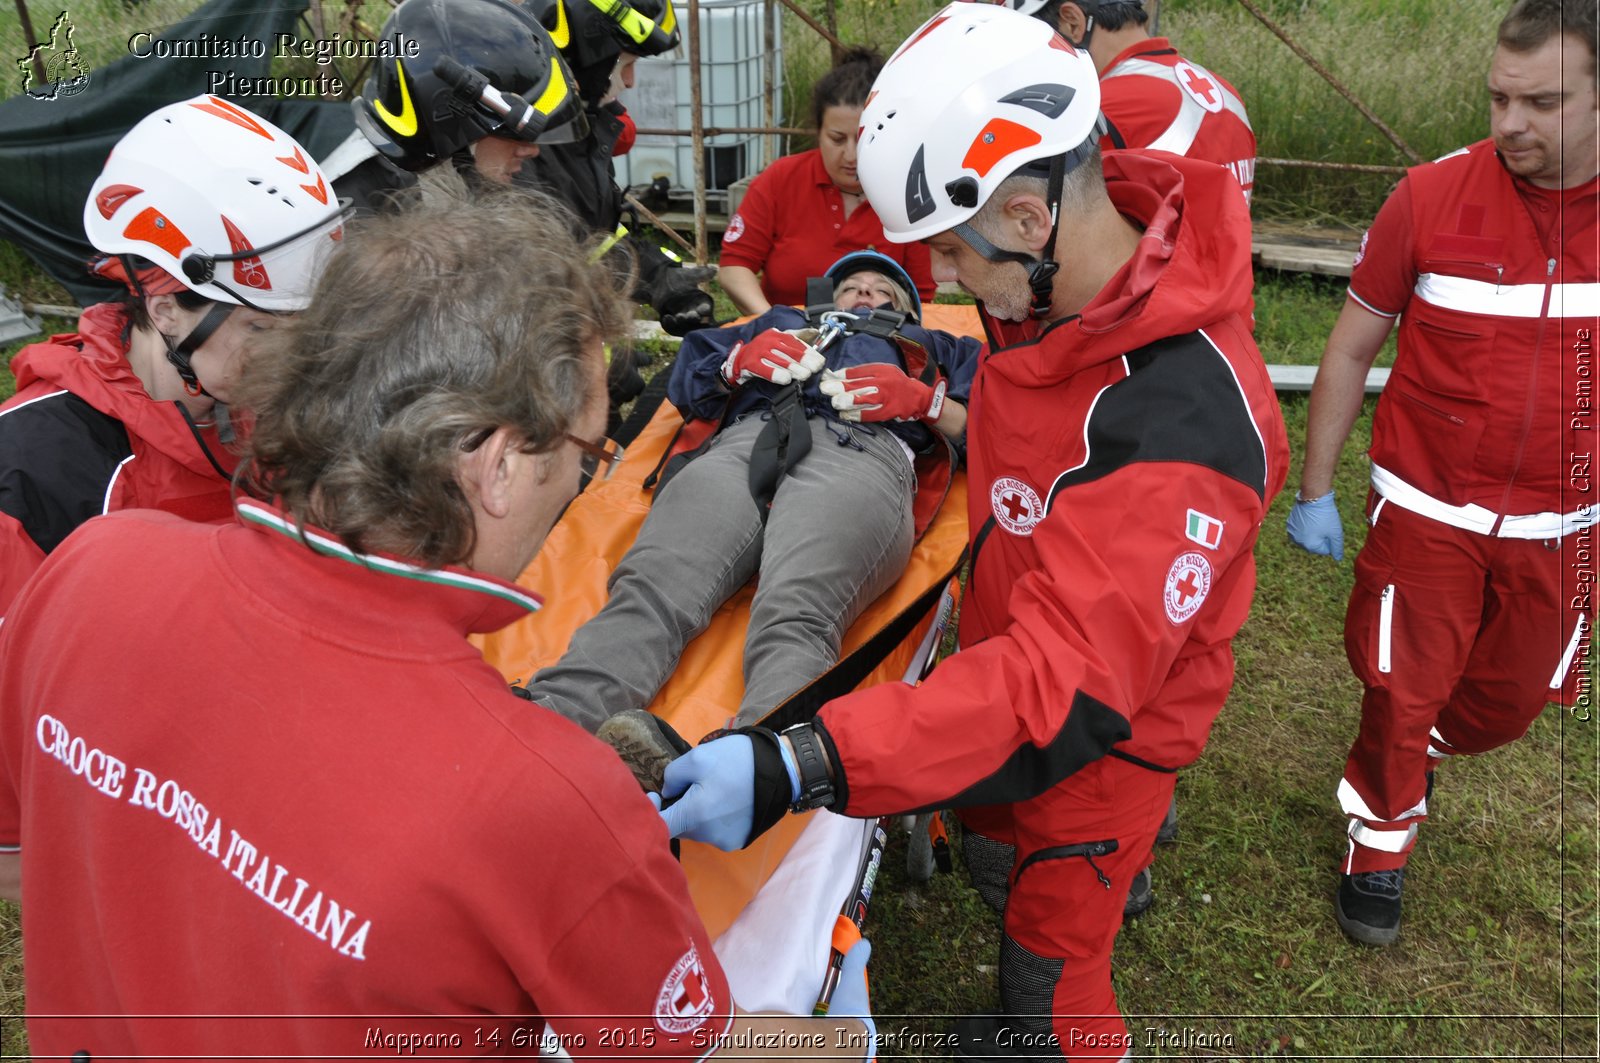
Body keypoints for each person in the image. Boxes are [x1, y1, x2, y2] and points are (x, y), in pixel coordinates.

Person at [0, 191, 875, 1059]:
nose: (582, 483)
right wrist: (835, 1043)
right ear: (497, 466)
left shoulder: (92, 564)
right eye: (587, 453)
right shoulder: (548, 799)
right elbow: (689, 1051)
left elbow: (21, 856)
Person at [654, 6, 1288, 1060]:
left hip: (1093, 743)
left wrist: (804, 760)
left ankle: (1048, 1032)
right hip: (1000, 689)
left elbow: (1064, 688)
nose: (943, 279)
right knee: (1010, 887)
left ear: (1033, 220)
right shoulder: (1048, 304)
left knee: (1059, 962)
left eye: (951, 247)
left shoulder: (1182, 425)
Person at [1286, 0, 1597, 948]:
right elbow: (1345, 353)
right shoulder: (1427, 197)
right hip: (1426, 512)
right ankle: (1378, 844)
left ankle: (1408, 746)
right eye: (1498, 98)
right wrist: (1315, 489)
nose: (1509, 124)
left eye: (1540, 102)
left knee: (1507, 704)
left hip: (1564, 525)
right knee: (1400, 684)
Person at [523, 250, 978, 768]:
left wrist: (928, 402)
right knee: (653, 586)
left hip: (863, 451)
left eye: (884, 289)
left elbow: (1001, 425)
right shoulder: (776, 324)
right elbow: (689, 379)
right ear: (828, 296)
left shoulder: (938, 347)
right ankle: (551, 724)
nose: (867, 293)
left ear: (908, 311)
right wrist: (734, 365)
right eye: (853, 285)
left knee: (797, 613)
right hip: (749, 437)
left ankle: (752, 769)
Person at [0, 94, 344, 614]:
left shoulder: (287, 417)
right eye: (260, 326)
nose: (293, 356)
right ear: (164, 311)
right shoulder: (32, 467)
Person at [716, 49, 935, 316]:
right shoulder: (780, 179)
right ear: (818, 132)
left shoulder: (908, 193)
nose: (851, 155)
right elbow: (734, 268)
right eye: (837, 139)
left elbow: (921, 297)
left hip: (877, 344)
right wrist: (774, 324)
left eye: (864, 139)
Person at [1002, 0, 1255, 204]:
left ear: (1072, 22)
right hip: (1229, 266)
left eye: (1039, 43)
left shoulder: (1100, 107)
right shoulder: (1226, 91)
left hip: (1155, 267)